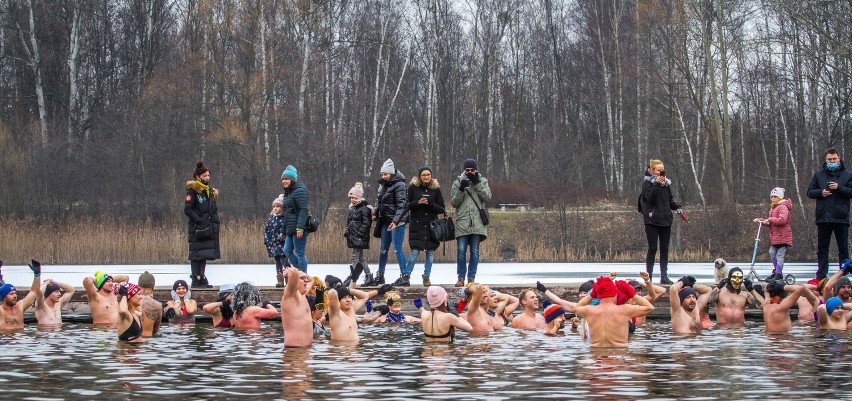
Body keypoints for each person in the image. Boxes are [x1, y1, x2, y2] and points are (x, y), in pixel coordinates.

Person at [807, 148, 852, 279]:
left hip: (841, 217)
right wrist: (821, 193)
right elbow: (810, 192)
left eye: (834, 159)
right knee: (822, 249)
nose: (832, 161)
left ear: (839, 158)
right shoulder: (818, 175)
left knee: (843, 248)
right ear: (825, 160)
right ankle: (821, 275)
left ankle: (844, 273)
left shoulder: (848, 175)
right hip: (823, 217)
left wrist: (839, 188)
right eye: (829, 159)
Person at [574, 276, 655, 347]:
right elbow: (649, 307)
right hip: (618, 356)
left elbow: (576, 308)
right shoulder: (624, 310)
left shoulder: (590, 310)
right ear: (615, 294)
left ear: (598, 294)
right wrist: (632, 294)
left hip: (596, 358)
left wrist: (592, 294)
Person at [639, 159, 683, 284]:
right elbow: (649, 199)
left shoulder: (666, 185)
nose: (661, 172)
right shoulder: (647, 184)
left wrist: (677, 207)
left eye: (663, 170)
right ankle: (649, 277)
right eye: (659, 170)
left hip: (666, 219)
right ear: (652, 171)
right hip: (651, 220)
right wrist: (657, 185)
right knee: (653, 248)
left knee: (665, 248)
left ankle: (664, 276)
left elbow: (669, 201)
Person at [450, 159, 492, 287]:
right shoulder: (457, 183)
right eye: (467, 170)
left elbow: (487, 197)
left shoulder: (482, 181)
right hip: (463, 221)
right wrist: (462, 188)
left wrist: (477, 183)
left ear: (476, 170)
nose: (469, 173)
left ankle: (471, 278)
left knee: (475, 251)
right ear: (464, 170)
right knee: (461, 251)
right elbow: (454, 202)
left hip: (477, 222)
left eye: (472, 170)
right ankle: (461, 278)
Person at [402, 166, 445, 287]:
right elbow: (406, 205)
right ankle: (406, 275)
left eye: (428, 174)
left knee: (430, 252)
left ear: (431, 176)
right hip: (417, 225)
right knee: (414, 251)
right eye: (423, 175)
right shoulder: (413, 188)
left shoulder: (436, 189)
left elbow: (441, 208)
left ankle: (426, 276)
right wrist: (418, 203)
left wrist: (430, 204)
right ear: (419, 176)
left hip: (431, 226)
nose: (426, 177)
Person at [370, 158, 408, 286]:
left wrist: (396, 221)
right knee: (383, 250)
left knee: (397, 249)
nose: (383, 176)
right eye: (382, 174)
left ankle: (405, 276)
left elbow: (402, 205)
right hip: (385, 221)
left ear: (391, 173)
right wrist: (375, 212)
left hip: (398, 222)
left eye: (385, 174)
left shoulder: (400, 185)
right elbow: (378, 202)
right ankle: (380, 275)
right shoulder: (382, 185)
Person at [185, 161, 220, 288]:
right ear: (198, 177)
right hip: (197, 228)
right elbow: (188, 210)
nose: (207, 178)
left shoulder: (209, 192)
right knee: (196, 254)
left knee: (204, 253)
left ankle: (202, 276)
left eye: (208, 176)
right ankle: (195, 278)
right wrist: (199, 220)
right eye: (205, 176)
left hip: (208, 227)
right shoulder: (193, 191)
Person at [753, 187, 793, 282]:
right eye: (771, 197)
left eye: (775, 196)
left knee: (779, 255)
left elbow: (782, 220)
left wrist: (769, 220)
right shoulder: (773, 208)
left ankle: (778, 274)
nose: (773, 198)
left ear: (779, 197)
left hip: (783, 236)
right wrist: (761, 220)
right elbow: (771, 222)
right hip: (775, 237)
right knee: (772, 252)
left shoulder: (783, 207)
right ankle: (776, 271)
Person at [280, 164, 310, 272]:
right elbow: (287, 213)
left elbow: (303, 210)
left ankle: (303, 276)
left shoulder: (300, 191)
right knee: (287, 250)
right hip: (290, 228)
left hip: (299, 228)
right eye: (283, 179)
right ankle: (300, 272)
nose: (284, 181)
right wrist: (283, 230)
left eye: (286, 179)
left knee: (300, 252)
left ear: (292, 180)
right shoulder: (288, 193)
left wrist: (300, 228)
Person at [344, 182, 373, 286]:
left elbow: (367, 223)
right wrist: (347, 231)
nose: (353, 200)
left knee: (355, 257)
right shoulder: (352, 209)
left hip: (359, 237)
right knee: (361, 258)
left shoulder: (364, 208)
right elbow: (349, 222)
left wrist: (359, 234)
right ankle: (369, 276)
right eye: (351, 198)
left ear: (360, 198)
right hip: (353, 237)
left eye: (355, 198)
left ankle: (353, 277)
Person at [0, 260, 41, 330]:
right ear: (4, 297)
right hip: (5, 339)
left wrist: (37, 274)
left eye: (15, 293)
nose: (15, 295)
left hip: (20, 338)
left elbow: (34, 292)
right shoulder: (1, 311)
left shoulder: (20, 307)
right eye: (11, 294)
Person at [281, 266, 314, 347]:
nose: (306, 280)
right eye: (302, 278)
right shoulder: (290, 295)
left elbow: (312, 280)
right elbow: (292, 272)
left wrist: (302, 274)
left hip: (306, 350)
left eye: (305, 278)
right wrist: (287, 272)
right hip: (294, 350)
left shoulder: (302, 296)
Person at [264, 196, 289, 287]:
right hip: (273, 246)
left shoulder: (284, 219)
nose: (275, 208)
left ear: (282, 208)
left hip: (282, 245)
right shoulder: (271, 219)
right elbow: (267, 230)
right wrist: (267, 240)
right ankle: (280, 280)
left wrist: (284, 237)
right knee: (277, 262)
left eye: (277, 206)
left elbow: (287, 231)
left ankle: (288, 280)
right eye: (274, 206)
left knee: (285, 263)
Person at [137, 271, 162, 337]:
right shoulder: (157, 305)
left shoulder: (130, 301)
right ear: (153, 287)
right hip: (149, 342)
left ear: (138, 286)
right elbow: (156, 330)